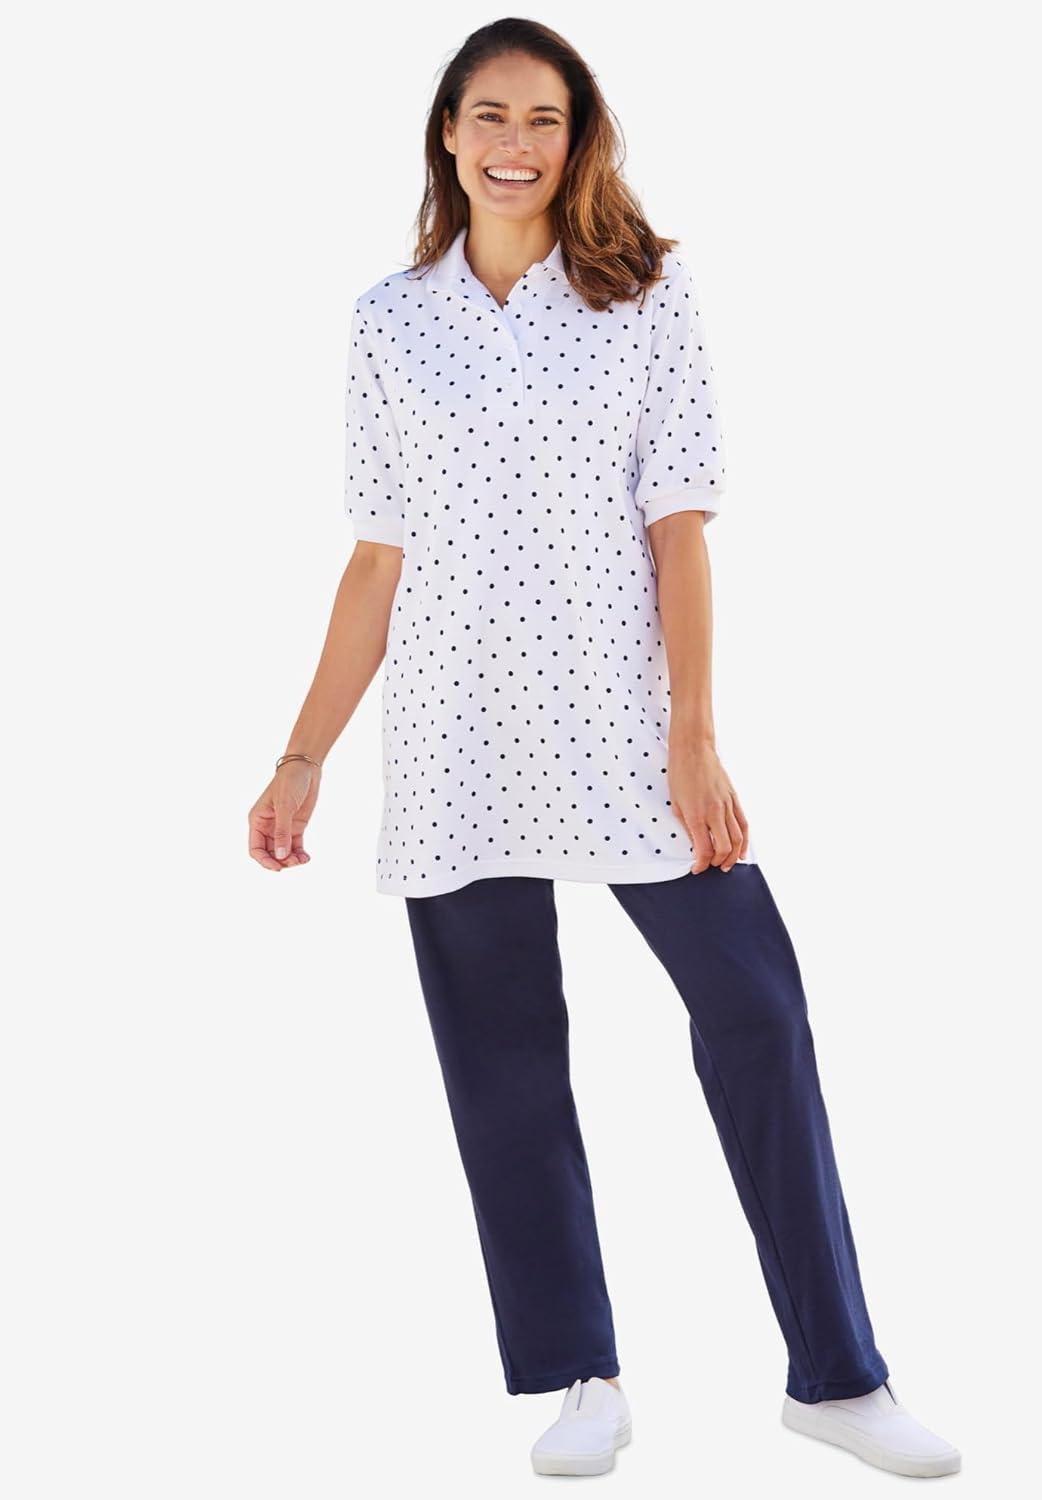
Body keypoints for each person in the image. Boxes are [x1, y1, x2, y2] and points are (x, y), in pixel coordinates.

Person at [247, 18, 961, 1482]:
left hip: (626, 727)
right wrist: (303, 753)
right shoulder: (387, 320)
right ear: (447, 133)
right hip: (454, 734)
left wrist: (695, 732)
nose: (515, 143)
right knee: (504, 1064)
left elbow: (678, 526)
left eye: (545, 119)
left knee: (756, 1012)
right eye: (489, 114)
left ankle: (837, 1374)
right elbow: (377, 557)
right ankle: (579, 1375)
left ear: (579, 140)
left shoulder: (645, 293)